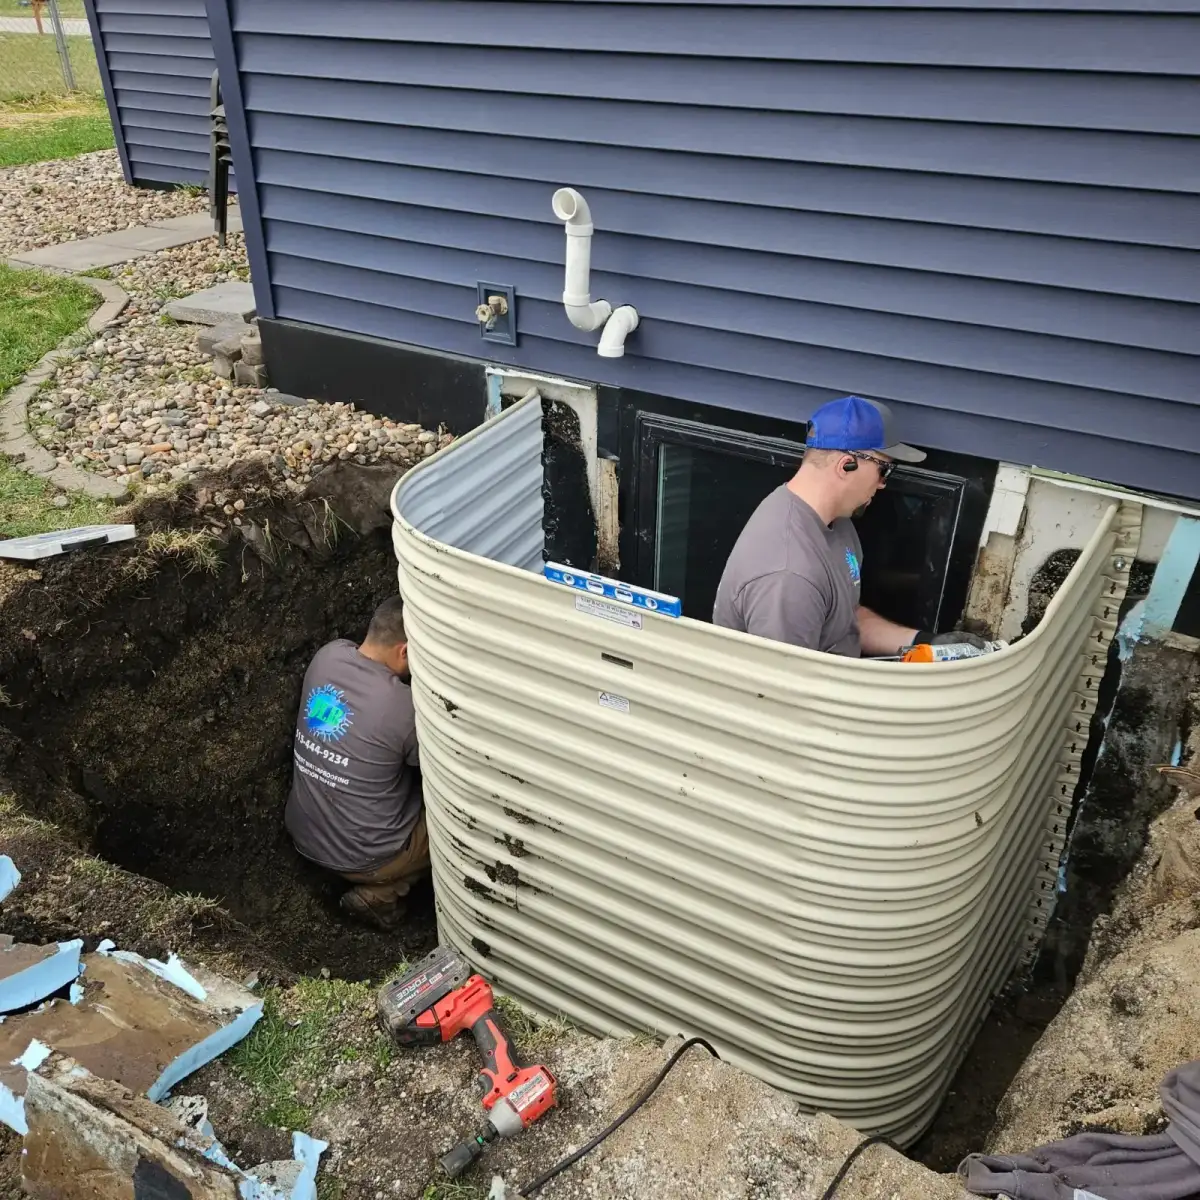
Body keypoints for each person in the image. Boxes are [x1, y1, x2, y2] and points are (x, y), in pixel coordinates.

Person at [713, 394, 986, 658]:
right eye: (885, 469)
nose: (883, 483)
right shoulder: (789, 576)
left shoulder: (835, 521)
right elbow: (785, 691)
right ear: (846, 466)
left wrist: (924, 642)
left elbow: (845, 621)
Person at [284, 595, 428, 930]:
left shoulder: (328, 656)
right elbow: (443, 768)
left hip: (304, 833)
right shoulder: (401, 707)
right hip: (367, 857)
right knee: (453, 822)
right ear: (405, 651)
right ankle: (384, 892)